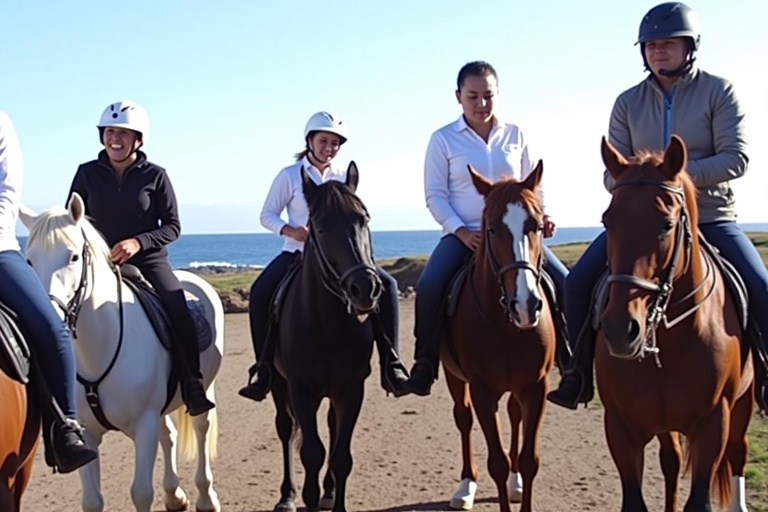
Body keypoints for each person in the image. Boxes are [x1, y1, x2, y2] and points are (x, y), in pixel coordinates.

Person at [547, 2, 759, 409]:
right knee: (576, 284)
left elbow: (737, 158)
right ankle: (577, 375)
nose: (658, 51)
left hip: (710, 216)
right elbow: (612, 173)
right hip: (643, 223)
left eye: (668, 44)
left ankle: (763, 377)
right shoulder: (627, 102)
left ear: (689, 47)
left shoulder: (719, 91)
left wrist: (675, 180)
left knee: (761, 287)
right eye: (651, 45)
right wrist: (638, 184)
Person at [404, 61, 570, 396]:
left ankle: (572, 362)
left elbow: (533, 184)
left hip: (515, 234)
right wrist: (460, 231)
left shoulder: (515, 134)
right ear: (458, 97)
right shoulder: (443, 140)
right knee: (431, 284)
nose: (481, 104)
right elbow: (434, 194)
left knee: (565, 282)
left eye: (488, 96)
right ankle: (424, 364)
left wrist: (543, 214)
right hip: (464, 234)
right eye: (473, 96)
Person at [238, 111, 410, 402]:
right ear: (310, 141)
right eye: (324, 141)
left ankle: (391, 364)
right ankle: (264, 369)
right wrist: (291, 230)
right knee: (260, 291)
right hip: (297, 255)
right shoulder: (290, 176)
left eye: (335, 143)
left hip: (338, 261)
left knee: (388, 286)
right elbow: (266, 215)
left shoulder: (344, 177)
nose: (329, 148)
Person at [69, 100, 215, 416]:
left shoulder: (156, 175)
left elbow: (174, 226)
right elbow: (73, 220)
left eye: (124, 133)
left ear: (139, 139)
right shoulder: (86, 174)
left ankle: (192, 382)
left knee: (177, 306)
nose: (115, 139)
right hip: (99, 261)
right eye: (110, 131)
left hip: (148, 260)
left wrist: (139, 242)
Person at [0, 111, 97, 473]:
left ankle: (65, 427)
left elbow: (7, 194)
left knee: (50, 327)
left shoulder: (1, 123)